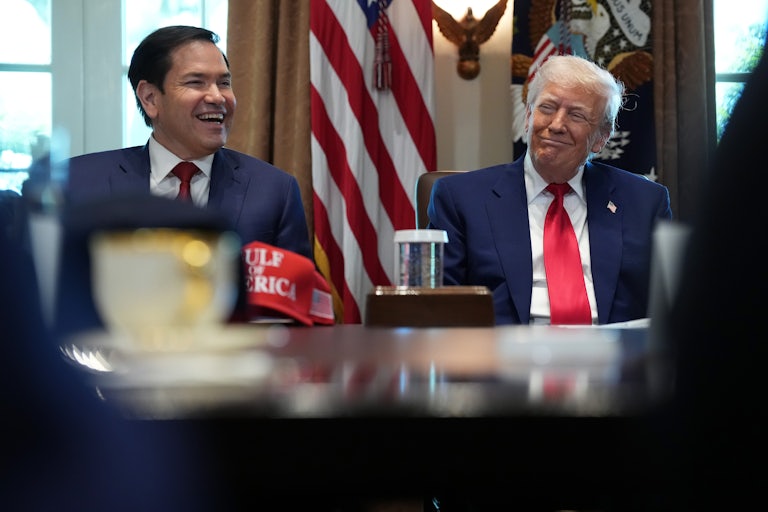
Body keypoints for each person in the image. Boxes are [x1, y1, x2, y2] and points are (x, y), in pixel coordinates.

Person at [427, 54, 672, 325]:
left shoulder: (645, 203)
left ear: (601, 138)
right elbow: (436, 306)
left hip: (613, 357)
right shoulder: (461, 199)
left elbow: (671, 304)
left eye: (576, 114)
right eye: (547, 108)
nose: (556, 125)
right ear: (528, 116)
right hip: (503, 358)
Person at [63, 25, 311, 260]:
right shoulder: (77, 183)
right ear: (150, 98)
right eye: (196, 82)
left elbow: (299, 299)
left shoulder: (275, 190)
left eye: (224, 83)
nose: (217, 96)